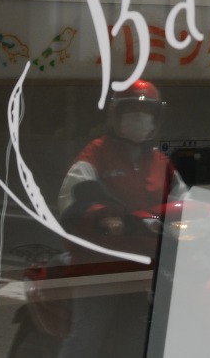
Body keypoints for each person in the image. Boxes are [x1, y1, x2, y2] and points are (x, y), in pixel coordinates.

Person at [57, 80, 186, 358]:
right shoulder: (96, 153)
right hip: (99, 264)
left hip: (145, 266)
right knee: (87, 336)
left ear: (155, 120)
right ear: (116, 117)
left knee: (143, 336)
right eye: (131, 113)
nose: (139, 119)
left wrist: (206, 214)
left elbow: (182, 199)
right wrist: (103, 218)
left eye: (146, 114)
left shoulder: (160, 162)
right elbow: (71, 198)